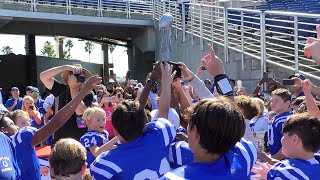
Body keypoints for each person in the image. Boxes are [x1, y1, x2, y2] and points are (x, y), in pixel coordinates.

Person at [161, 44, 257, 179]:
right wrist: (217, 75)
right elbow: (230, 117)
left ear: (194, 133)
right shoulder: (245, 156)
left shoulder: (174, 178)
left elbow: (230, 116)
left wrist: (165, 85)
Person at [0, 75, 101, 179]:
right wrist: (82, 93)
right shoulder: (21, 138)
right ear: (3, 130)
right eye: (12, 124)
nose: (16, 127)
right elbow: (57, 122)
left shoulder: (9, 143)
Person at [90, 63, 176, 179]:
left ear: (115, 130)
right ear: (144, 125)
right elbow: (164, 113)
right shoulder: (159, 135)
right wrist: (166, 84)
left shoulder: (105, 163)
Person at [252, 113, 320, 179]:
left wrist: (272, 176)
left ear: (294, 139)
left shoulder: (283, 171)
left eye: (284, 135)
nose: (282, 139)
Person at [40, 65, 94, 143]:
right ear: (68, 79)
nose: (79, 79)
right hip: (60, 140)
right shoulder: (61, 89)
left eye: (82, 77)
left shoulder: (87, 94)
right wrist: (65, 67)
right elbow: (43, 77)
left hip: (78, 140)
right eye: (75, 76)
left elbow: (79, 111)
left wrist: (74, 89)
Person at [263, 88, 292, 164]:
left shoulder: (284, 120)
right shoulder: (275, 117)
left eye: (277, 101)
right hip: (276, 158)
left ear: (287, 103)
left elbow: (289, 144)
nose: (273, 103)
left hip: (284, 161)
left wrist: (272, 159)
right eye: (272, 100)